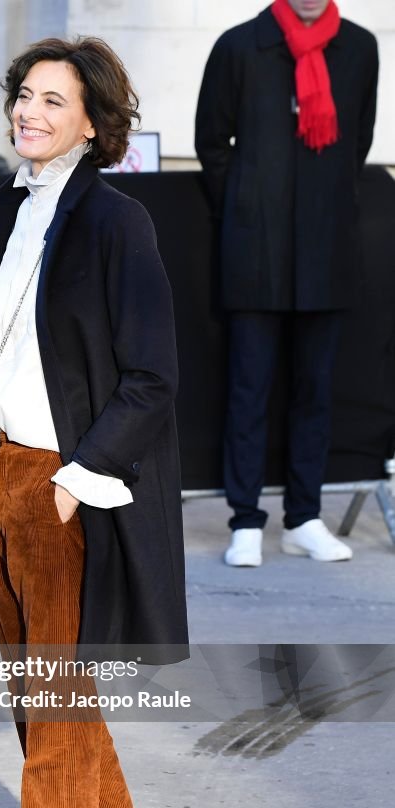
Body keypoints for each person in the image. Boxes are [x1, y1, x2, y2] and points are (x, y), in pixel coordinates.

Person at [0, 37, 188, 808]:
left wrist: (71, 480)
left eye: (54, 101)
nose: (30, 112)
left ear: (93, 121)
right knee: (47, 708)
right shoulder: (5, 206)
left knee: (55, 717)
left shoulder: (116, 221)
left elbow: (153, 377)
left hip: (62, 484)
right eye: (24, 96)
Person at [195, 0, 378, 567]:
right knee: (248, 389)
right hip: (256, 249)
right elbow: (211, 142)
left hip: (326, 247)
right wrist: (250, 206)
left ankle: (304, 516)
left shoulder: (359, 48)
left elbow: (358, 143)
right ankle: (245, 520)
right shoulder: (239, 46)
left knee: (314, 391)